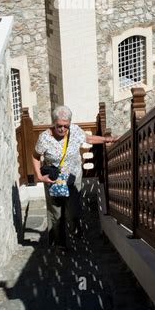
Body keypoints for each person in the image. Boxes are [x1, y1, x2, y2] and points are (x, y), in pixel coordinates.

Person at [33, 105, 118, 252]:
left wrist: (106, 139)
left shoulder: (75, 131)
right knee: (55, 213)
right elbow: (35, 156)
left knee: (74, 211)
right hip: (54, 181)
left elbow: (89, 139)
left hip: (73, 180)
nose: (62, 129)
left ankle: (75, 228)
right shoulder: (44, 138)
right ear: (54, 123)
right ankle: (59, 244)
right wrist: (40, 177)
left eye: (65, 126)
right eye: (59, 126)